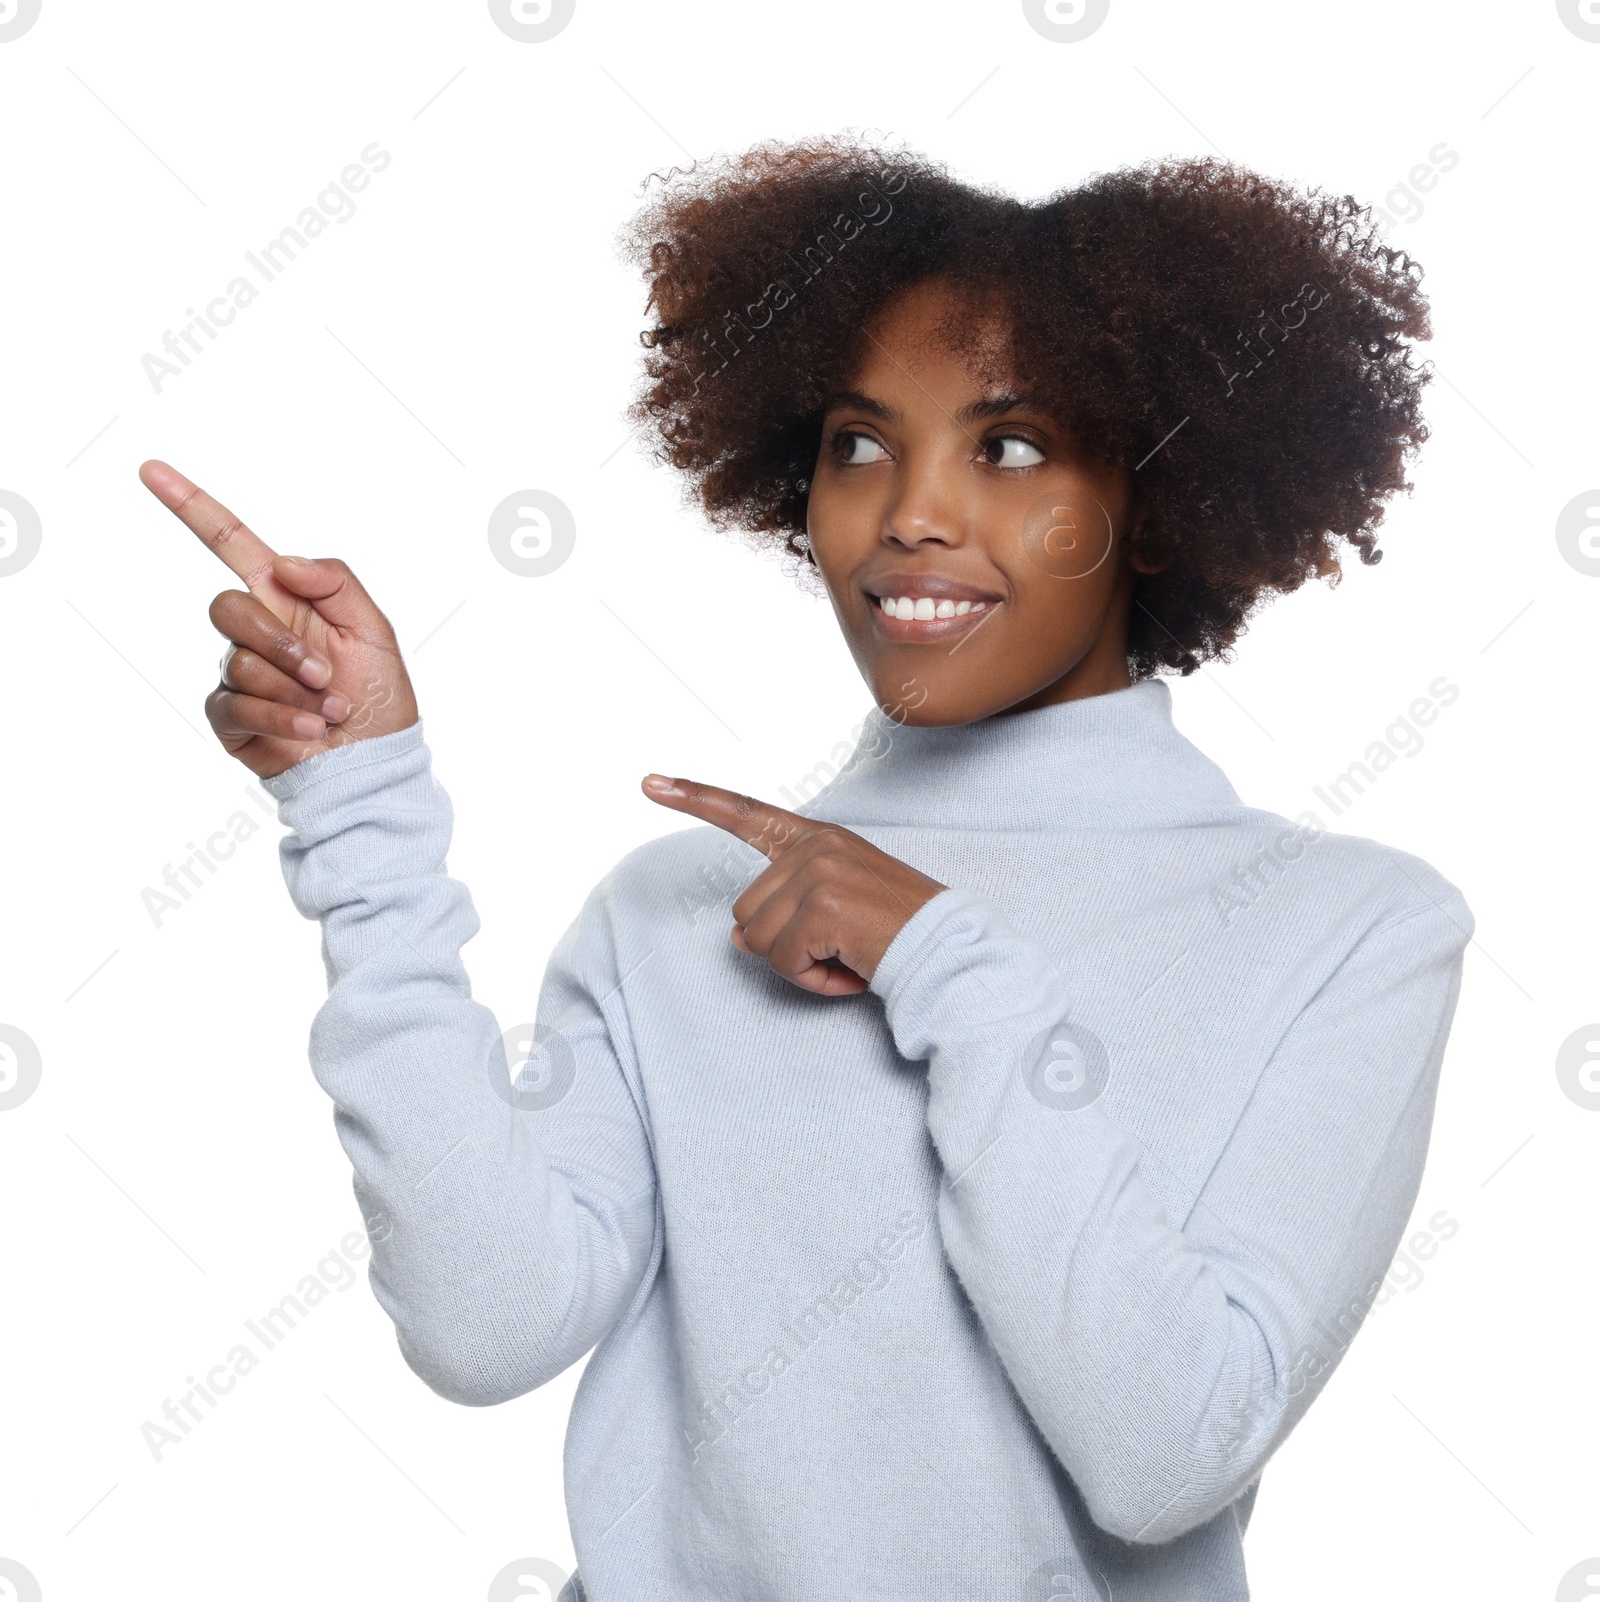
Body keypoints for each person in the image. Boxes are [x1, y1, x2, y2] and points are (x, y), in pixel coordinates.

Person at [141, 139, 1471, 1601]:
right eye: (859, 443)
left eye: (1008, 448)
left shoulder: (1349, 928)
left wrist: (944, 962)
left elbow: (1166, 1452)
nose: (910, 509)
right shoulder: (678, 908)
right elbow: (482, 1326)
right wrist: (360, 808)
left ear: (1151, 500)